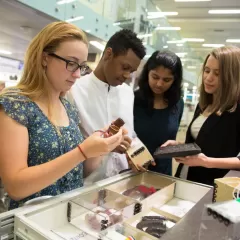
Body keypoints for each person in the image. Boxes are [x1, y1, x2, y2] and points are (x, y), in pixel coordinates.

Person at [0, 21, 127, 210]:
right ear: (44, 58)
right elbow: (16, 187)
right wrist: (82, 151)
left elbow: (78, 172)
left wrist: (99, 148)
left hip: (67, 217)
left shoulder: (68, 107)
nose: (77, 74)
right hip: (30, 223)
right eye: (71, 63)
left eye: (82, 66)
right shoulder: (15, 104)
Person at [70, 29, 147, 183]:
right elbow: (69, 145)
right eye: (125, 67)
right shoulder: (74, 90)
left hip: (121, 181)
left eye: (131, 71)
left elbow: (131, 135)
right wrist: (107, 146)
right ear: (108, 54)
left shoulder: (127, 93)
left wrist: (140, 157)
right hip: (86, 183)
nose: (127, 76)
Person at [162, 46, 240, 185]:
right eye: (207, 70)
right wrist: (180, 146)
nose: (208, 78)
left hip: (214, 185)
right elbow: (203, 143)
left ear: (231, 76)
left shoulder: (235, 109)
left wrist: (206, 162)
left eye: (217, 73)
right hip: (186, 177)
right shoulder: (204, 104)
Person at [134, 50, 184, 176]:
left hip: (163, 174)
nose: (159, 84)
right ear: (147, 74)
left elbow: (172, 139)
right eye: (155, 77)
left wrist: (178, 146)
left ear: (175, 80)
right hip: (134, 170)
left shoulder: (177, 104)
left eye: (166, 80)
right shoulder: (132, 100)